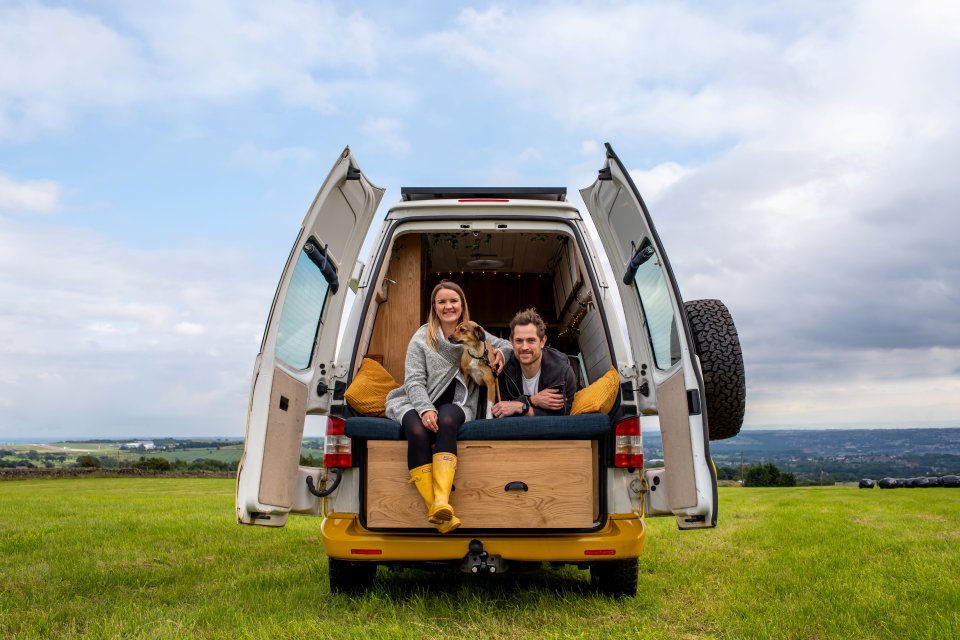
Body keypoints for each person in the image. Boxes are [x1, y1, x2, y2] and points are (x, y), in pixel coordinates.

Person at [385, 280, 510, 533]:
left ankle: (441, 501)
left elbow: (505, 345)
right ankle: (439, 510)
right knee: (417, 431)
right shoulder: (422, 338)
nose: (448, 306)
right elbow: (414, 380)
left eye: (453, 301)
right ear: (434, 307)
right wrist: (424, 409)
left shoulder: (473, 331)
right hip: (416, 399)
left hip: (457, 402)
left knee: (447, 422)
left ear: (462, 305)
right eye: (442, 302)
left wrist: (499, 354)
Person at [492, 308, 576, 418]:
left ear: (542, 341)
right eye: (519, 341)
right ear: (511, 342)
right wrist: (533, 400)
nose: (524, 347)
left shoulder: (560, 370)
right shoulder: (504, 370)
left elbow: (560, 418)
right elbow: (499, 412)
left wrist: (520, 407)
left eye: (531, 340)